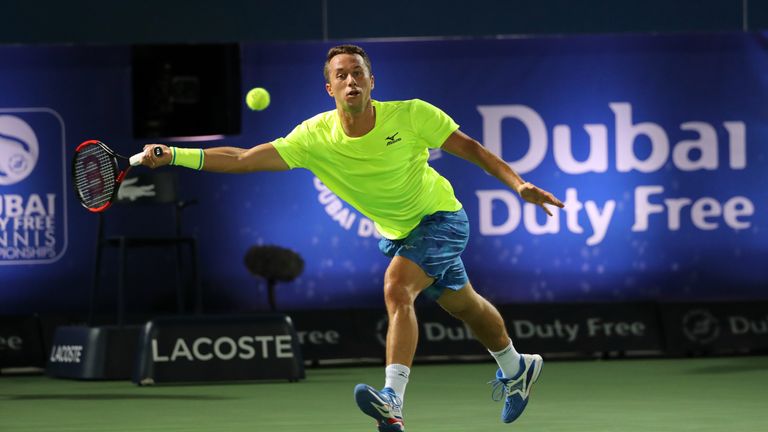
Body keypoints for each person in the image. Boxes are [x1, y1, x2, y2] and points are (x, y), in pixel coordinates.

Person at [139, 44, 564, 431]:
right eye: (341, 75)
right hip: (401, 233)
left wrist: (518, 184)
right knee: (466, 306)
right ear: (330, 88)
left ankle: (392, 400)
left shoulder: (411, 114)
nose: (351, 80)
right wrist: (177, 154)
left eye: (358, 73)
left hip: (442, 218)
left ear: (371, 81)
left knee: (397, 289)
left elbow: (471, 147)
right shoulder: (313, 137)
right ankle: (516, 366)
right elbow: (243, 160)